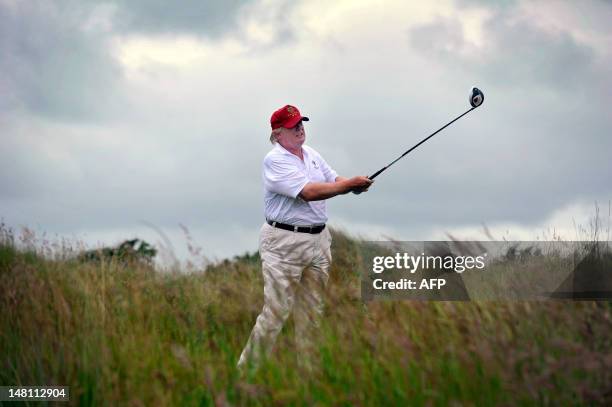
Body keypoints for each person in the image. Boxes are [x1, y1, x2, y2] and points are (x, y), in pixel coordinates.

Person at [237, 104, 373, 372]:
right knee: (276, 312)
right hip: (284, 242)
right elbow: (309, 192)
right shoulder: (274, 160)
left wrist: (354, 185)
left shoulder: (310, 154)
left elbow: (333, 179)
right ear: (277, 134)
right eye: (293, 126)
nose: (299, 128)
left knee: (312, 314)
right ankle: (244, 375)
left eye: (301, 123)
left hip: (318, 241)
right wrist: (347, 186)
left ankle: (308, 378)